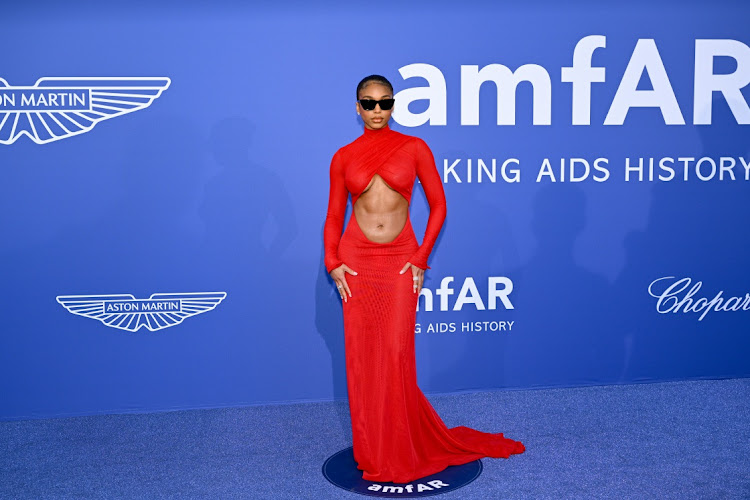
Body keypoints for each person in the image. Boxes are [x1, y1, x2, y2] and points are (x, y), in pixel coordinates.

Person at [323, 74, 525, 484]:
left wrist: (420, 258)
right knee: (362, 361)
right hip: (357, 261)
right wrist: (332, 261)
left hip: (399, 260)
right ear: (356, 107)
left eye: (384, 102)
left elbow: (438, 205)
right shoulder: (343, 156)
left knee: (395, 355)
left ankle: (399, 444)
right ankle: (372, 448)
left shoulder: (414, 148)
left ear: (393, 106)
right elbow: (332, 216)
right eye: (368, 102)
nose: (377, 110)